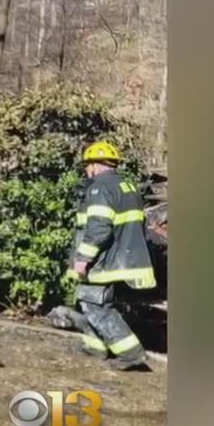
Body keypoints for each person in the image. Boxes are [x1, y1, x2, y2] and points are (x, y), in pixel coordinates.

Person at [51, 141, 156, 370]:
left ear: (94, 165)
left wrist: (82, 259)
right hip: (124, 257)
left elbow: (98, 229)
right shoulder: (126, 186)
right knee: (89, 302)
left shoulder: (100, 188)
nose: (86, 170)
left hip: (105, 260)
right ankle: (95, 347)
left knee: (95, 305)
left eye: (87, 166)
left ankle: (131, 354)